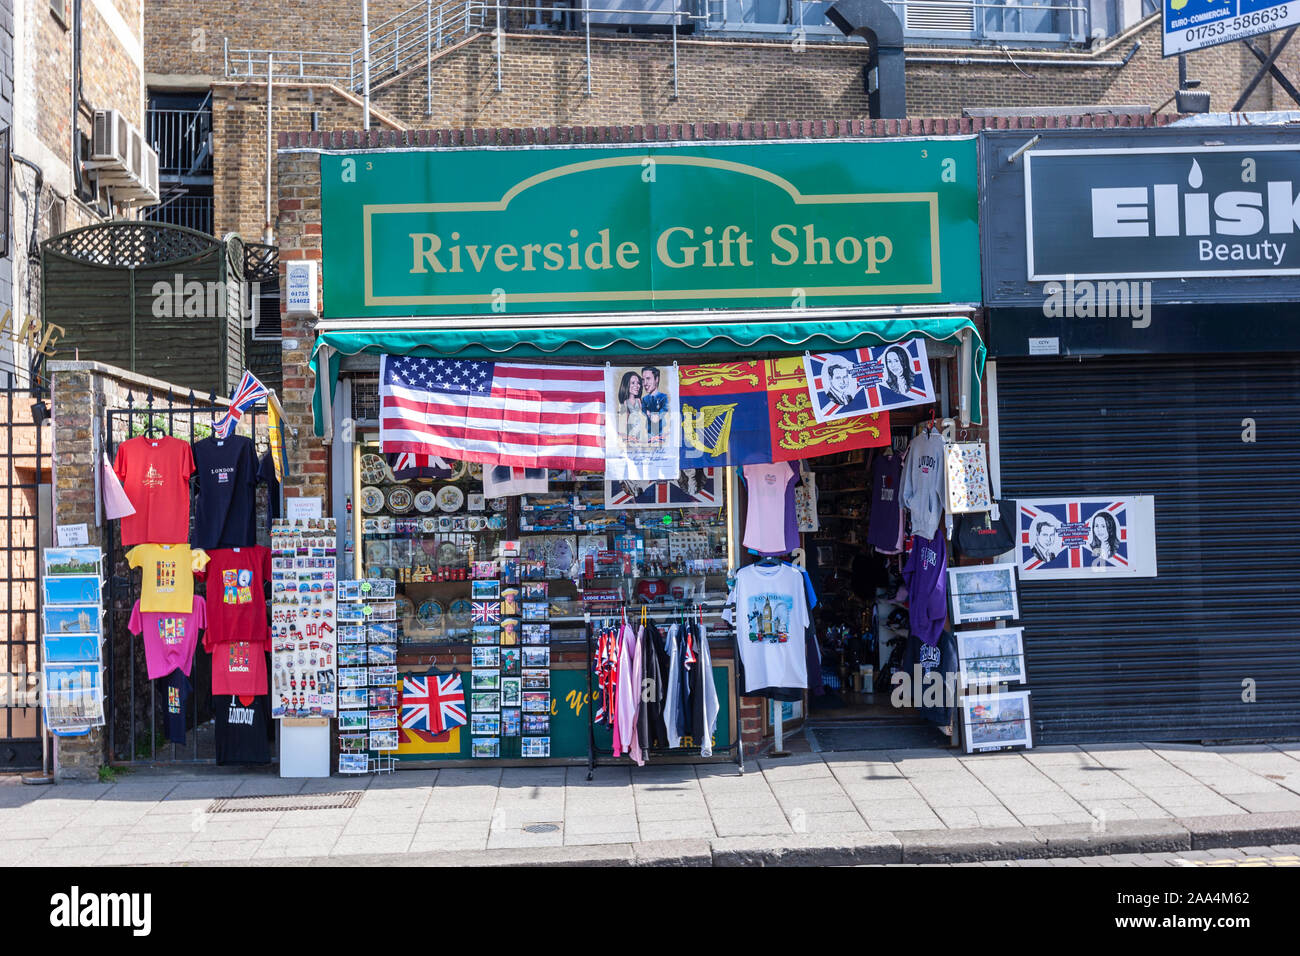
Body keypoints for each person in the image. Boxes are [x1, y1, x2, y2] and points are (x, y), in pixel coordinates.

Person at [617, 370, 648, 445]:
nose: (637, 386)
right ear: (626, 385)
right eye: (633, 383)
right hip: (631, 425)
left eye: (638, 383)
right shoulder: (626, 402)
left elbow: (642, 412)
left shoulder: (638, 400)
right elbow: (625, 418)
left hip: (640, 423)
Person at [641, 366, 668, 442]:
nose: (645, 383)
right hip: (649, 431)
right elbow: (643, 408)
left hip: (661, 430)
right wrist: (647, 412)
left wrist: (658, 415)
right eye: (643, 380)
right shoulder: (644, 399)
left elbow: (665, 408)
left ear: (656, 379)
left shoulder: (663, 397)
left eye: (648, 378)